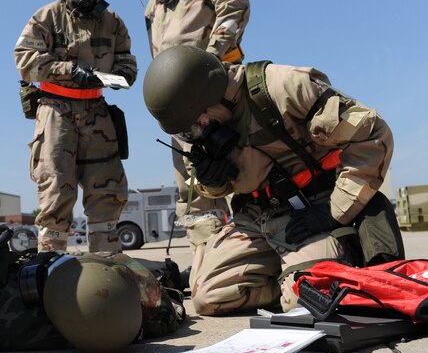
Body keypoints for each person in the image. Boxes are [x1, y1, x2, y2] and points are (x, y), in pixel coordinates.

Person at [142, 45, 394, 315]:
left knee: (306, 303)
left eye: (195, 126)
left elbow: (373, 135)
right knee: (207, 298)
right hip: (256, 219)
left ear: (211, 97)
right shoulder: (193, 120)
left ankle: (345, 254)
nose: (192, 135)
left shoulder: (282, 87)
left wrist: (334, 213)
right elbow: (216, 189)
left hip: (311, 212)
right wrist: (211, 180)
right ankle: (287, 276)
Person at [122, 0, 250, 273]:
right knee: (195, 195)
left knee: (248, 174)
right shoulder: (152, 8)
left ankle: (260, 256)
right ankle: (212, 266)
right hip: (183, 114)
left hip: (220, 93)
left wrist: (211, 58)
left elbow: (234, 1)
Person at [14, 0, 137, 253]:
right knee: (55, 187)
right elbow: (25, 60)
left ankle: (107, 262)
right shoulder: (46, 17)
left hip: (97, 110)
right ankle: (52, 265)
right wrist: (68, 70)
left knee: (107, 187)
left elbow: (128, 64)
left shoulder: (113, 23)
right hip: (56, 111)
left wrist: (115, 78)